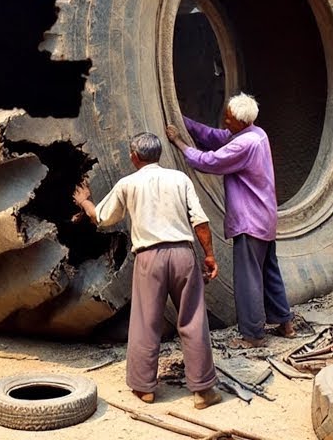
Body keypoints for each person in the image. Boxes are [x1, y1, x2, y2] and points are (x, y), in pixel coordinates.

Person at [72, 132, 223, 410]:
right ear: (159, 155)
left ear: (134, 157)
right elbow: (200, 221)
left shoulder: (128, 184)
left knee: (146, 321)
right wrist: (210, 256)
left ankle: (145, 389)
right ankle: (203, 391)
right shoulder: (180, 179)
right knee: (192, 319)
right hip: (182, 254)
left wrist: (84, 201)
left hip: (149, 257)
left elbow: (101, 218)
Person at [165, 93, 294, 349]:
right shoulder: (257, 134)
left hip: (249, 221)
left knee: (248, 280)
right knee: (269, 272)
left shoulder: (243, 145)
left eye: (229, 118)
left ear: (242, 122)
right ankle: (285, 322)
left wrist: (180, 142)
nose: (225, 121)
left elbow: (208, 161)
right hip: (265, 218)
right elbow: (215, 136)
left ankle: (252, 335)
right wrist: (183, 121)